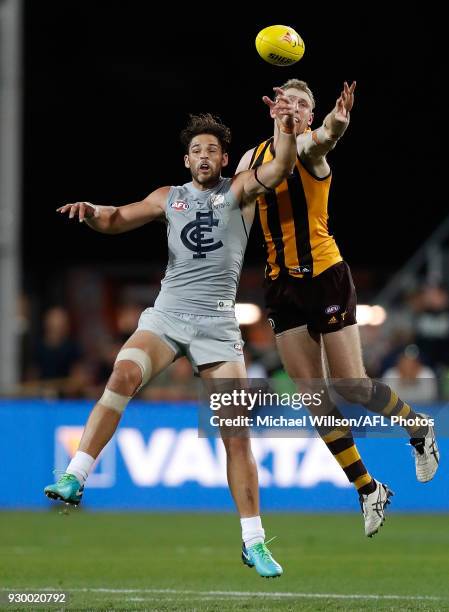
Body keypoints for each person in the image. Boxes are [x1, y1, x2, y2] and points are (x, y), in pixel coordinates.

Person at [44, 92, 297, 578]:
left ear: (225, 158)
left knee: (235, 436)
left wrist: (284, 126)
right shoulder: (168, 196)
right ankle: (76, 476)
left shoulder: (240, 190)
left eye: (212, 150)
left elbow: (282, 166)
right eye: (196, 150)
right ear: (187, 159)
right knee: (121, 374)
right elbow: (118, 218)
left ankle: (254, 541)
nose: (204, 156)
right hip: (168, 316)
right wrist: (93, 211)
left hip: (218, 327)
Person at [236, 79, 440, 537]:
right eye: (287, 101)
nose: (294, 108)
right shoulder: (253, 159)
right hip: (280, 286)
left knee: (350, 385)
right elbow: (238, 206)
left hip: (325, 275)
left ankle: (418, 428)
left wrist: (337, 124)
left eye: (304, 105)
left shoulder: (312, 148)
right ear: (273, 109)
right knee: (315, 399)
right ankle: (368, 489)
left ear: (309, 116)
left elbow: (326, 137)